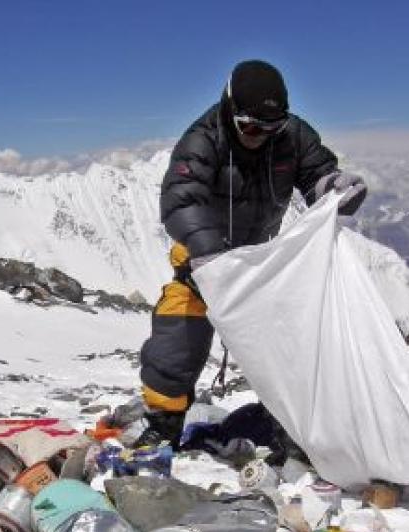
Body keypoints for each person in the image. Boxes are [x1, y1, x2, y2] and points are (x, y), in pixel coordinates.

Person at [135, 59, 367, 448]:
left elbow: (316, 174)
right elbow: (180, 200)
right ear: (230, 110)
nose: (259, 135)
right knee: (178, 338)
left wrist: (334, 188)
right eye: (250, 126)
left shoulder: (293, 136)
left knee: (290, 344)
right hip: (202, 261)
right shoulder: (203, 140)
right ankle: (164, 423)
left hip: (261, 263)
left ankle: (291, 427)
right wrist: (207, 253)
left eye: (270, 128)